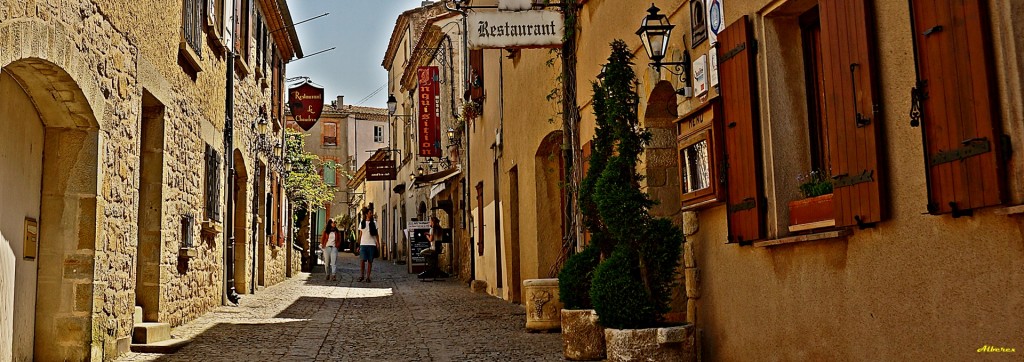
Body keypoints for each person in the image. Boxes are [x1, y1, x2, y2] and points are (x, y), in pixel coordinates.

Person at [357, 207, 380, 283]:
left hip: (371, 244)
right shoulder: (362, 223)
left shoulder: (374, 223)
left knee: (370, 261)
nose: (371, 214)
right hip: (363, 244)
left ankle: (368, 277)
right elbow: (360, 235)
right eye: (370, 213)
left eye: (371, 213)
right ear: (366, 214)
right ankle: (362, 275)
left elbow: (376, 234)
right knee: (362, 260)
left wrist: (377, 243)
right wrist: (358, 245)